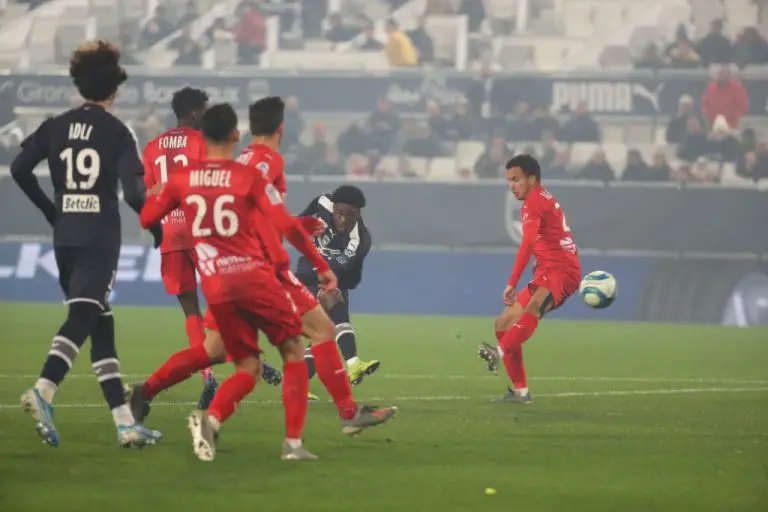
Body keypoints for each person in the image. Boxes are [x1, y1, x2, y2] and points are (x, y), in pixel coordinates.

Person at [138, 103, 333, 461]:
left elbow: (147, 217)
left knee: (244, 364)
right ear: (235, 135)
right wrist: (318, 264)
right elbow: (283, 225)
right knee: (293, 349)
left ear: (202, 138)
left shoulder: (184, 179)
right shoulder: (249, 178)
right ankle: (292, 444)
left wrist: (164, 192)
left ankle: (206, 418)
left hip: (216, 285)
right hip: (254, 277)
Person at [10, 40, 162, 448]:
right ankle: (44, 389)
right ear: (115, 88)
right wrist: (157, 227)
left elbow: (19, 168)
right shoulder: (117, 132)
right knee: (83, 317)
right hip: (99, 238)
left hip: (65, 238)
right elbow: (135, 194)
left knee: (100, 324)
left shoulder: (55, 125)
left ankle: (125, 423)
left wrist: (51, 210)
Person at [477, 155, 581, 403]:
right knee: (502, 324)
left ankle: (498, 351)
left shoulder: (534, 202)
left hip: (561, 271)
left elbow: (527, 243)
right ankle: (521, 392)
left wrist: (512, 282)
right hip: (547, 269)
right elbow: (553, 237)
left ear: (531, 179)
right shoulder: (542, 198)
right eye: (509, 181)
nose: (512, 186)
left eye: (516, 180)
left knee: (534, 307)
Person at [142, 87, 218, 409]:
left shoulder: (153, 147)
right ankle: (238, 353)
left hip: (170, 231)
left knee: (190, 309)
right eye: (205, 110)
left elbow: (148, 192)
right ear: (195, 113)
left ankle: (208, 373)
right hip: (201, 227)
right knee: (224, 297)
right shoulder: (203, 141)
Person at [294, 185, 380, 387]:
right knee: (331, 304)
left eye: (350, 215)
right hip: (310, 263)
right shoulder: (323, 202)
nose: (343, 220)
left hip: (334, 274)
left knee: (325, 332)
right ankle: (353, 363)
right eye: (339, 214)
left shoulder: (360, 241)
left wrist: (291, 278)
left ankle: (299, 386)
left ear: (358, 214)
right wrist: (304, 225)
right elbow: (297, 223)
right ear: (333, 208)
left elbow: (332, 272)